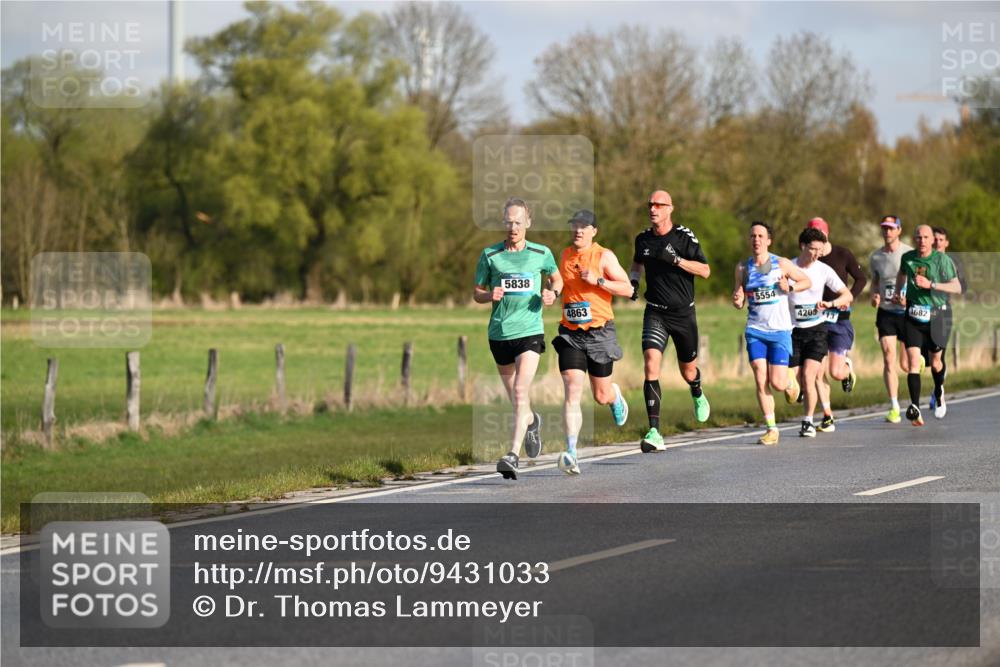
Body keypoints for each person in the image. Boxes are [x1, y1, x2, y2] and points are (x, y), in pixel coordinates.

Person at [473, 198, 562, 480]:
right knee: (517, 400)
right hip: (499, 334)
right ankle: (533, 421)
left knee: (521, 391)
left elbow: (556, 280)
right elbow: (477, 292)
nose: (513, 227)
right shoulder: (490, 255)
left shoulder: (541, 253)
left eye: (518, 222)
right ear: (504, 223)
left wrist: (552, 293)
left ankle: (512, 454)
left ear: (528, 223)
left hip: (530, 333)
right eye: (509, 222)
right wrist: (489, 295)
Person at [628, 190, 712, 453]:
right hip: (655, 312)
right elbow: (636, 263)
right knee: (651, 363)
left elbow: (705, 271)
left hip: (683, 314)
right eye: (650, 204)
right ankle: (654, 431)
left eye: (659, 205)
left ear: (670, 209)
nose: (653, 209)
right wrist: (633, 281)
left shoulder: (683, 236)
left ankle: (697, 391)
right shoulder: (642, 239)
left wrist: (676, 260)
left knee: (688, 371)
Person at [552, 210, 633, 474]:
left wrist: (598, 280)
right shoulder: (564, 255)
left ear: (594, 231)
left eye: (584, 227)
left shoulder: (604, 255)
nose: (578, 230)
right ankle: (572, 451)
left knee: (600, 395)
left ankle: (614, 397)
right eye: (574, 226)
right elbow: (559, 285)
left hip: (599, 333)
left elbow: (628, 288)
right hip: (570, 333)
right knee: (572, 388)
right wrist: (550, 292)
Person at [733, 221, 811, 446]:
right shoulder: (742, 268)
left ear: (768, 240)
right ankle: (771, 429)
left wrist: (791, 288)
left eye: (760, 236)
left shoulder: (782, 264)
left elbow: (807, 281)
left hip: (779, 330)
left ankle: (789, 383)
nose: (756, 239)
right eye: (752, 236)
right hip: (755, 329)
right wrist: (737, 299)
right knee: (759, 375)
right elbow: (739, 298)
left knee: (776, 382)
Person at [787, 227, 853, 437]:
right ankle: (808, 409)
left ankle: (807, 421)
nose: (816, 254)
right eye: (813, 249)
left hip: (817, 329)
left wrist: (830, 303)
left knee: (809, 375)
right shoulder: (788, 267)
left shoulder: (823, 270)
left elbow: (847, 295)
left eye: (819, 249)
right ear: (802, 246)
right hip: (793, 330)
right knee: (798, 380)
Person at [895, 225, 961, 425]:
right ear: (914, 239)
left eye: (926, 237)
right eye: (918, 237)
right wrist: (900, 293)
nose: (922, 240)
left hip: (937, 317)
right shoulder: (907, 258)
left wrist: (931, 285)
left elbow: (957, 287)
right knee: (914, 362)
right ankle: (915, 407)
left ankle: (939, 389)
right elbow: (901, 275)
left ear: (932, 240)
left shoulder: (942, 260)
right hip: (913, 317)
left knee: (936, 362)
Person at [807, 217, 867, 432]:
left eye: (820, 238)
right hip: (817, 320)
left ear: (826, 236)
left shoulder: (842, 253)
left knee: (836, 373)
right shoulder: (809, 260)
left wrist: (848, 297)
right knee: (816, 370)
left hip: (839, 320)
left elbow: (861, 278)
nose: (817, 244)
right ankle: (827, 415)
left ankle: (847, 368)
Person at [869, 215, 913, 424]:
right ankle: (894, 406)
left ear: (899, 230)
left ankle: (919, 361)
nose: (887, 232)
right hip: (886, 312)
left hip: (906, 313)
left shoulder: (909, 253)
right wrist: (874, 295)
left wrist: (908, 298)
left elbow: (918, 282)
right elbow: (875, 282)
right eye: (884, 228)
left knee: (906, 364)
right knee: (888, 356)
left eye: (891, 228)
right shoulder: (876, 257)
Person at [930, 227, 967, 413]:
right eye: (934, 239)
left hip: (943, 310)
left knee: (939, 356)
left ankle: (938, 391)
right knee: (922, 357)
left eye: (940, 239)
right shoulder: (922, 259)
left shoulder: (953, 261)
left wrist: (938, 286)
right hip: (920, 311)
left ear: (946, 243)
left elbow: (963, 287)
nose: (937, 242)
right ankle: (937, 385)